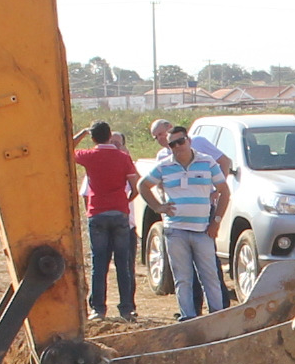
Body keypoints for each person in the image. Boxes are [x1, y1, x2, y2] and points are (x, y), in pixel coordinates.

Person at [143, 123, 231, 320]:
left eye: (181, 141)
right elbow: (143, 185)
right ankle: (188, 318)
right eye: (172, 144)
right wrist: (158, 207)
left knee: (210, 275)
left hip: (202, 228)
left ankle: (217, 317)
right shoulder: (164, 166)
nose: (178, 147)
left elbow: (225, 191)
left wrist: (216, 221)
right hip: (175, 230)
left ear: (189, 141)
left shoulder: (207, 162)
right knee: (182, 278)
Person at [73, 122, 141, 320]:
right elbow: (135, 186)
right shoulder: (123, 157)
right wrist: (125, 201)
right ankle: (127, 308)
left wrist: (82, 133)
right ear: (110, 136)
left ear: (93, 138)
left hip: (97, 212)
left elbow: (67, 148)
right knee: (123, 262)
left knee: (99, 263)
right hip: (120, 213)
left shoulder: (89, 156)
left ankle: (98, 309)